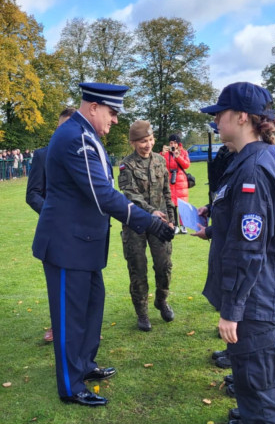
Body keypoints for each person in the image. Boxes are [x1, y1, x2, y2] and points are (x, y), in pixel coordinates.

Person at [32, 82, 174, 407]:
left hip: (84, 244)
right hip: (67, 245)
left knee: (91, 307)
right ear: (94, 106)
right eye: (111, 113)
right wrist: (148, 221)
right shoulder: (74, 138)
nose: (114, 121)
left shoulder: (86, 134)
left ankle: (84, 366)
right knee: (71, 317)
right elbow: (102, 194)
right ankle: (70, 386)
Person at [200, 81, 275, 424]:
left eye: (220, 113)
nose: (215, 120)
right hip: (260, 295)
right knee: (260, 382)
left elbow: (250, 246)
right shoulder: (253, 159)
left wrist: (232, 309)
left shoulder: (254, 167)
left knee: (256, 387)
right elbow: (244, 224)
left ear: (243, 117)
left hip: (255, 299)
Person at [118, 120, 175, 331]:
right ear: (133, 142)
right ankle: (142, 313)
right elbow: (129, 194)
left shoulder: (160, 161)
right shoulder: (127, 165)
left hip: (160, 224)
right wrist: (151, 212)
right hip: (136, 225)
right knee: (138, 268)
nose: (148, 144)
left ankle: (162, 300)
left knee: (164, 265)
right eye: (143, 141)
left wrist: (171, 219)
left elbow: (168, 192)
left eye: (150, 139)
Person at [26, 107, 76, 343]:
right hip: (54, 230)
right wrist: (55, 214)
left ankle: (82, 327)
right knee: (58, 283)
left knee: (81, 282)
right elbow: (33, 193)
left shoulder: (85, 155)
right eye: (62, 127)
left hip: (81, 232)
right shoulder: (43, 155)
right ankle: (57, 327)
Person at [161, 134, 190, 233]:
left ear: (178, 144)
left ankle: (184, 226)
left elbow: (186, 165)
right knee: (172, 204)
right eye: (170, 143)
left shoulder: (183, 152)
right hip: (170, 180)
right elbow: (160, 164)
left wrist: (178, 156)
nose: (172, 145)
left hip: (181, 181)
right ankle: (175, 225)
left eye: (174, 143)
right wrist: (162, 154)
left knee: (182, 205)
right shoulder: (166, 153)